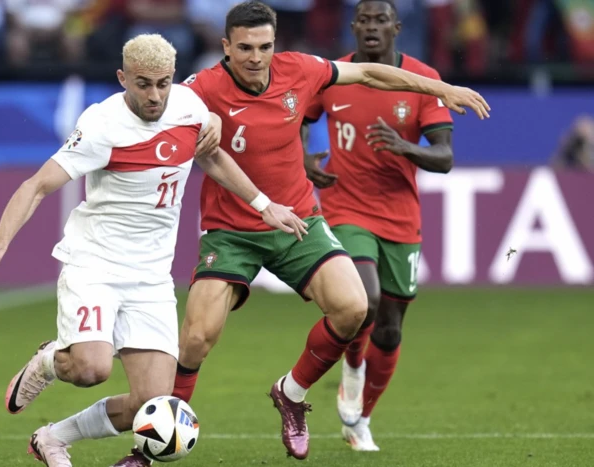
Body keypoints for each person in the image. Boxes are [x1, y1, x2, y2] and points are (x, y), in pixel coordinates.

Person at [0, 34, 307, 467]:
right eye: (143, 84)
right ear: (122, 77)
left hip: (151, 277)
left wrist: (263, 204)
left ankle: (51, 439)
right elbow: (37, 186)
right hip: (96, 264)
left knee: (153, 403)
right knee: (91, 369)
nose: (155, 95)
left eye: (163, 83)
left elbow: (213, 157)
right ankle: (50, 360)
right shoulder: (101, 125)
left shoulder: (188, 107)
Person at [172, 0, 489, 460]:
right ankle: (167, 425)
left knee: (355, 307)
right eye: (244, 48)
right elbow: (157, 109)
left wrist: (441, 87)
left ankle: (292, 393)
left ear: (275, 44)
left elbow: (372, 75)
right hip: (231, 229)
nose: (256, 58)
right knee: (198, 338)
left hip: (298, 220)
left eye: (264, 46)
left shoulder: (300, 70)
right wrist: (200, 117)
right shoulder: (201, 88)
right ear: (226, 46)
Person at [302, 0, 455, 451]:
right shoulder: (333, 75)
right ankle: (352, 364)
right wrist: (305, 159)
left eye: (380, 20)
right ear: (353, 27)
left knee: (389, 329)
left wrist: (403, 147)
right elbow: (295, 120)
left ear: (396, 28)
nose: (371, 27)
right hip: (345, 207)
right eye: (364, 20)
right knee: (363, 299)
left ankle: (360, 418)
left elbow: (444, 157)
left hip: (401, 216)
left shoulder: (421, 80)